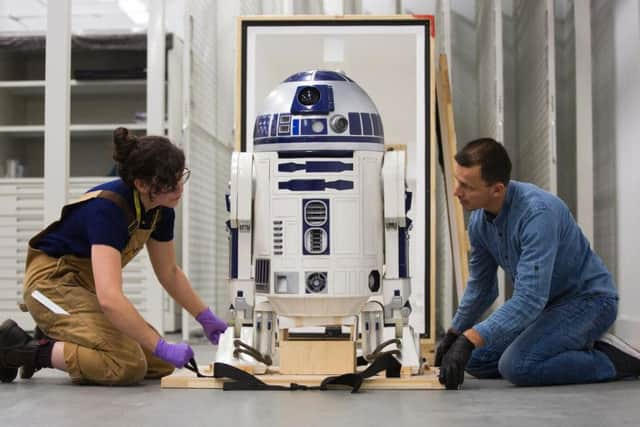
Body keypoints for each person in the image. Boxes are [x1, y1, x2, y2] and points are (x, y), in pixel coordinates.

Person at [0, 127, 227, 385]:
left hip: (83, 290)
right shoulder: (108, 209)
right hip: (49, 285)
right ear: (141, 184)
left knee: (159, 363)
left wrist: (205, 317)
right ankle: (23, 349)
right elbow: (109, 298)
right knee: (126, 363)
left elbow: (169, 273)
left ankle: (65, 334)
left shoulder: (160, 209)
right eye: (168, 182)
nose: (178, 188)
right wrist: (161, 344)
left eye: (179, 177)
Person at [435, 138, 640, 389]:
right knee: (475, 360)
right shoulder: (479, 221)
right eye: (458, 181)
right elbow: (482, 287)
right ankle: (564, 343)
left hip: (589, 302)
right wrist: (455, 332)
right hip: (546, 308)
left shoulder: (537, 215)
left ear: (497, 190)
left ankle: (612, 359)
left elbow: (530, 300)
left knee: (517, 366)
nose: (456, 191)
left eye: (466, 186)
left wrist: (470, 338)